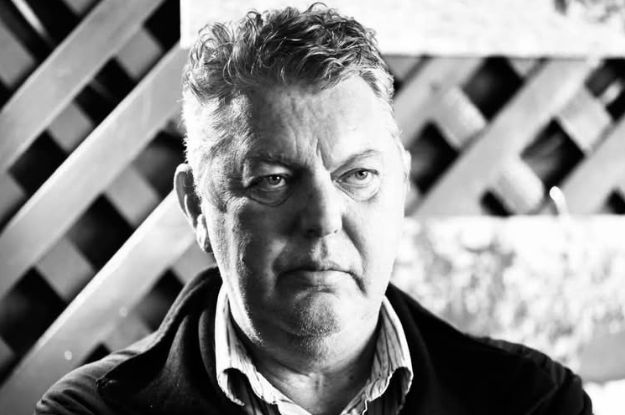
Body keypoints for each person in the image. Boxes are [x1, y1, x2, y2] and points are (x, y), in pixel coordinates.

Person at [36, 5, 592, 415]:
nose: (324, 219)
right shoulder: (91, 412)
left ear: (400, 185)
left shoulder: (532, 403)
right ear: (198, 206)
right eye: (273, 181)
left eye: (359, 176)